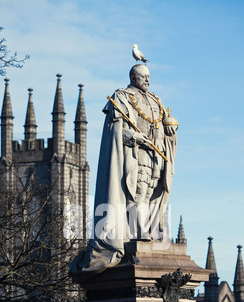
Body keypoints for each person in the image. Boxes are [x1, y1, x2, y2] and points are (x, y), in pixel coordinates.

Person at [70, 64, 177, 274]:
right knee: (137, 194)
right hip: (135, 155)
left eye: (148, 77)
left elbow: (165, 125)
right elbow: (116, 131)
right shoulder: (121, 97)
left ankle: (149, 231)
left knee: (152, 192)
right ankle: (140, 232)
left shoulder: (156, 100)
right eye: (143, 77)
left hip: (157, 156)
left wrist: (171, 129)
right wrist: (134, 137)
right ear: (132, 77)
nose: (147, 80)